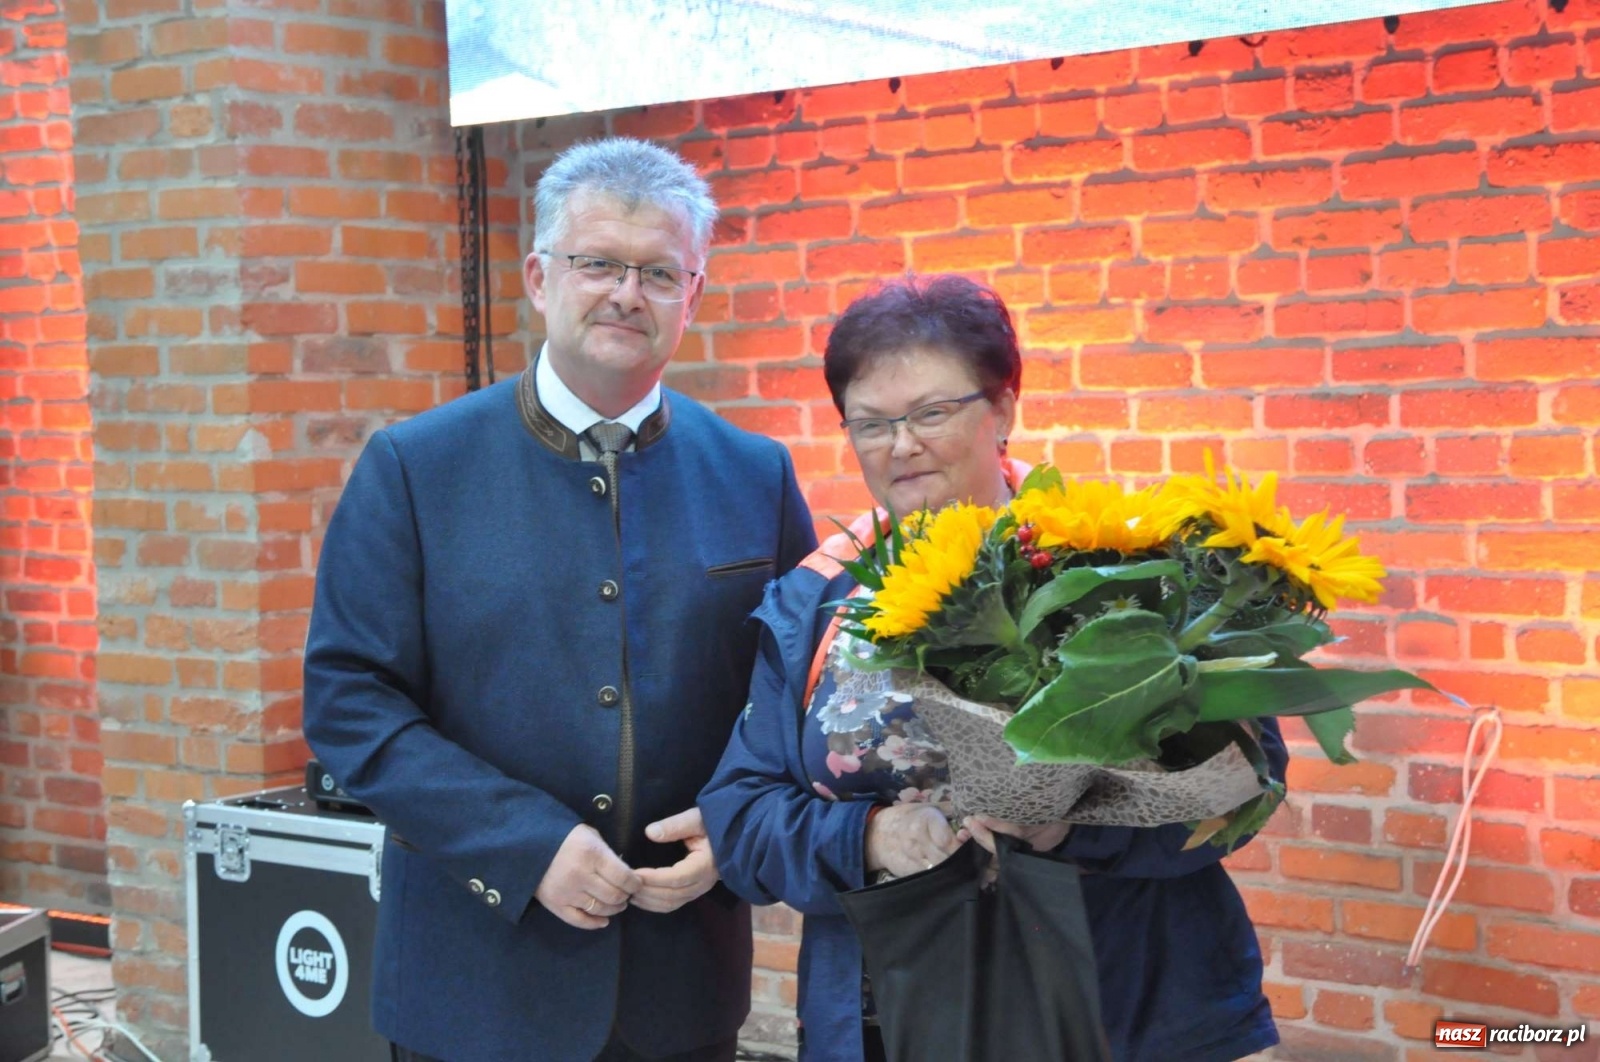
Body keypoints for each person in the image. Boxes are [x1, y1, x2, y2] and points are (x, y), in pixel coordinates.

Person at [302, 137, 817, 1062]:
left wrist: (738, 830)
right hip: (475, 985)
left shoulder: (756, 474)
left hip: (684, 986)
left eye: (660, 272)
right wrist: (526, 844)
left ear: (692, 298)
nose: (628, 292)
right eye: (599, 264)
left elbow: (797, 701)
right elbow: (350, 705)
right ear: (540, 279)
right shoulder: (415, 468)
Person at [698, 275, 1286, 1062]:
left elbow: (1247, 773)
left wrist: (1066, 824)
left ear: (1003, 408)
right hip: (889, 1020)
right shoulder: (818, 602)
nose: (901, 445)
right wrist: (870, 836)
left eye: (932, 413)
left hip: (1129, 1008)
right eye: (870, 423)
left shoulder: (1121, 570)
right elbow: (740, 819)